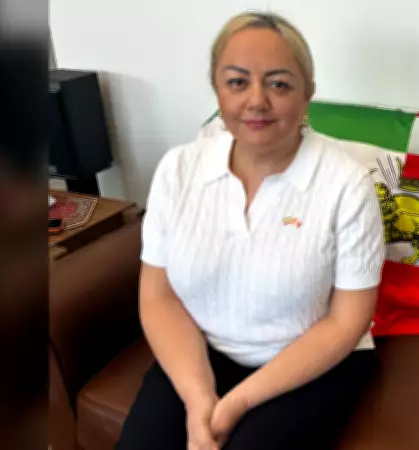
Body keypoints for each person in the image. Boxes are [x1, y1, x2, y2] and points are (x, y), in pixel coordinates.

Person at [116, 11, 385, 450]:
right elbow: (158, 297)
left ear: (307, 94)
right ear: (217, 88)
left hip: (310, 364)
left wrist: (235, 403)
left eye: (278, 84)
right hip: (201, 354)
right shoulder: (178, 169)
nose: (256, 101)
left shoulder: (347, 184)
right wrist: (198, 398)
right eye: (237, 82)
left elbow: (347, 321)